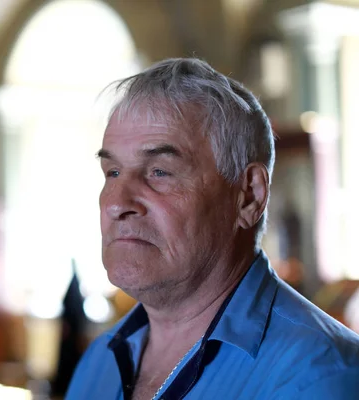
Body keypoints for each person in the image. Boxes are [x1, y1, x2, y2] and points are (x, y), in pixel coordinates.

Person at [65, 58, 359, 400]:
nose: (116, 203)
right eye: (112, 172)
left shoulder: (319, 376)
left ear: (249, 195)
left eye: (160, 171)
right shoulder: (98, 362)